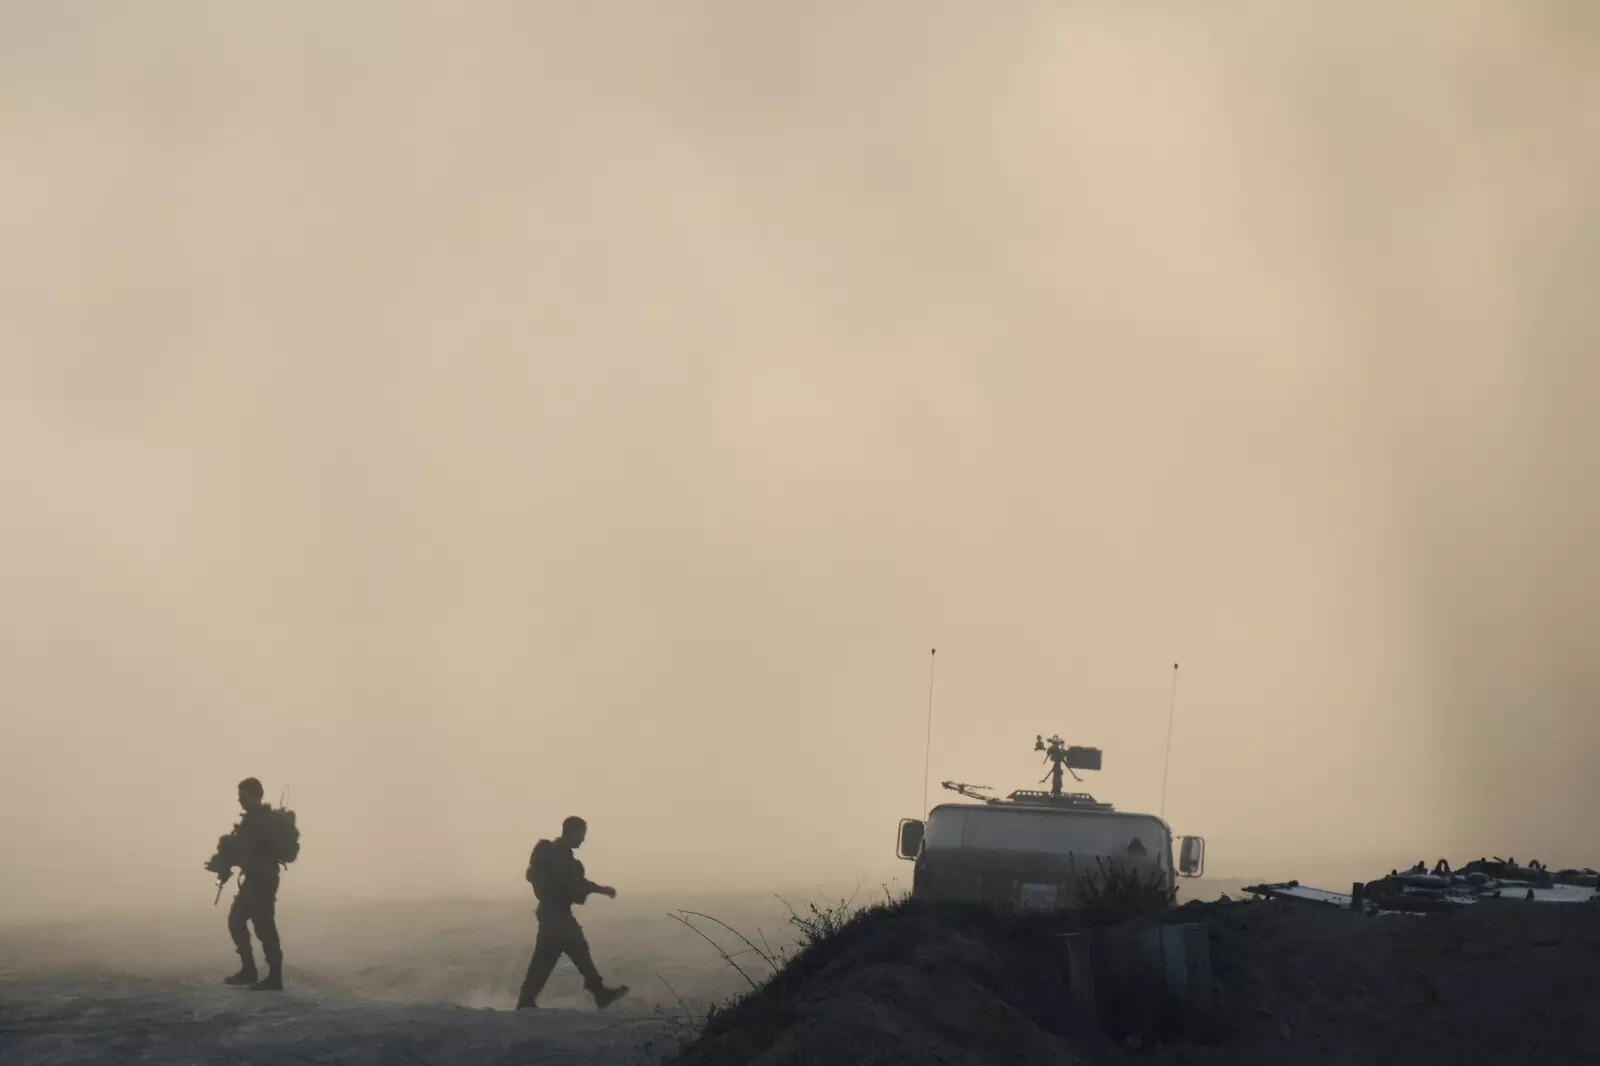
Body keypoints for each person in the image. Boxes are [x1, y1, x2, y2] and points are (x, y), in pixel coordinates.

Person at [517, 816, 628, 1010]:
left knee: (577, 951)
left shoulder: (561, 855)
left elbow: (573, 883)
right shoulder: (556, 855)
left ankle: (599, 992)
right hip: (554, 915)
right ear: (572, 832)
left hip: (557, 914)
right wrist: (599, 889)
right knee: (547, 959)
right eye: (581, 834)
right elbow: (571, 884)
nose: (583, 839)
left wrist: (599, 889)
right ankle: (526, 1002)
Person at [205, 777, 289, 991]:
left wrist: (223, 861)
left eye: (242, 796)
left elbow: (243, 850)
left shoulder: (263, 822)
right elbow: (241, 849)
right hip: (254, 880)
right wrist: (222, 863)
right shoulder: (252, 820)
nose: (239, 800)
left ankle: (274, 978)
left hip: (263, 881)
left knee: (264, 926)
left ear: (255, 796)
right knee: (237, 921)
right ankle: (249, 971)